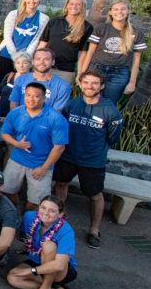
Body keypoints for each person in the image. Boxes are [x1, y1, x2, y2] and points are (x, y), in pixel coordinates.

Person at [52, 70, 123, 250]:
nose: (90, 86)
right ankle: (58, 220)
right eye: (86, 82)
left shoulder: (110, 111)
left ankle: (94, 230)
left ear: (102, 86)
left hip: (92, 161)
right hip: (68, 156)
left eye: (94, 83)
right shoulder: (72, 105)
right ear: (80, 84)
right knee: (60, 185)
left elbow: (113, 137)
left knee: (94, 195)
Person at [7, 195, 86, 289]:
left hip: (61, 270)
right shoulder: (29, 217)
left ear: (60, 215)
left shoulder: (66, 230)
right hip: (37, 260)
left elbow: (59, 265)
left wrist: (30, 271)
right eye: (43, 208)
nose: (46, 213)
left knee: (49, 246)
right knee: (13, 278)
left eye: (52, 211)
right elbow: (25, 234)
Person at [0, 82, 69, 211]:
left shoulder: (56, 118)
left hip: (41, 164)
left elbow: (59, 147)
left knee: (37, 202)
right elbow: (4, 133)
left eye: (36, 96)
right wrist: (16, 144)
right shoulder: (15, 113)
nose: (31, 99)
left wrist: (44, 168)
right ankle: (12, 214)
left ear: (44, 98)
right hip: (17, 159)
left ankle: (29, 224)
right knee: (7, 191)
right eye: (28, 95)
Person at [78, 0, 147, 104]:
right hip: (96, 69)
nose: (119, 12)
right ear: (110, 12)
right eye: (116, 9)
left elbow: (136, 61)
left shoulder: (136, 34)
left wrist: (132, 82)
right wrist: (82, 74)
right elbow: (90, 52)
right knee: (88, 101)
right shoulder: (101, 29)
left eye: (123, 9)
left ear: (128, 11)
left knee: (108, 104)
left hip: (119, 74)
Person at [0, 0, 49, 85]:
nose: (32, 1)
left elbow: (36, 40)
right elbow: (7, 36)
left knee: (19, 86)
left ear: (40, 0)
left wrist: (25, 58)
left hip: (25, 60)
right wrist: (15, 56)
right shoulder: (13, 14)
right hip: (7, 55)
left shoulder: (43, 19)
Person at [37, 0, 92, 85]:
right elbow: (42, 44)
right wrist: (36, 63)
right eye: (71, 4)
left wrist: (80, 73)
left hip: (66, 71)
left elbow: (83, 53)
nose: (74, 6)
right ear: (66, 5)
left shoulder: (87, 27)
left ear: (83, 7)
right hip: (45, 67)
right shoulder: (54, 22)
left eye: (78, 4)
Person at [0, 52, 32, 119]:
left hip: (19, 118)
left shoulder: (33, 80)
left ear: (30, 65)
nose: (21, 66)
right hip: (0, 116)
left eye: (24, 63)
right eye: (18, 63)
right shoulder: (9, 76)